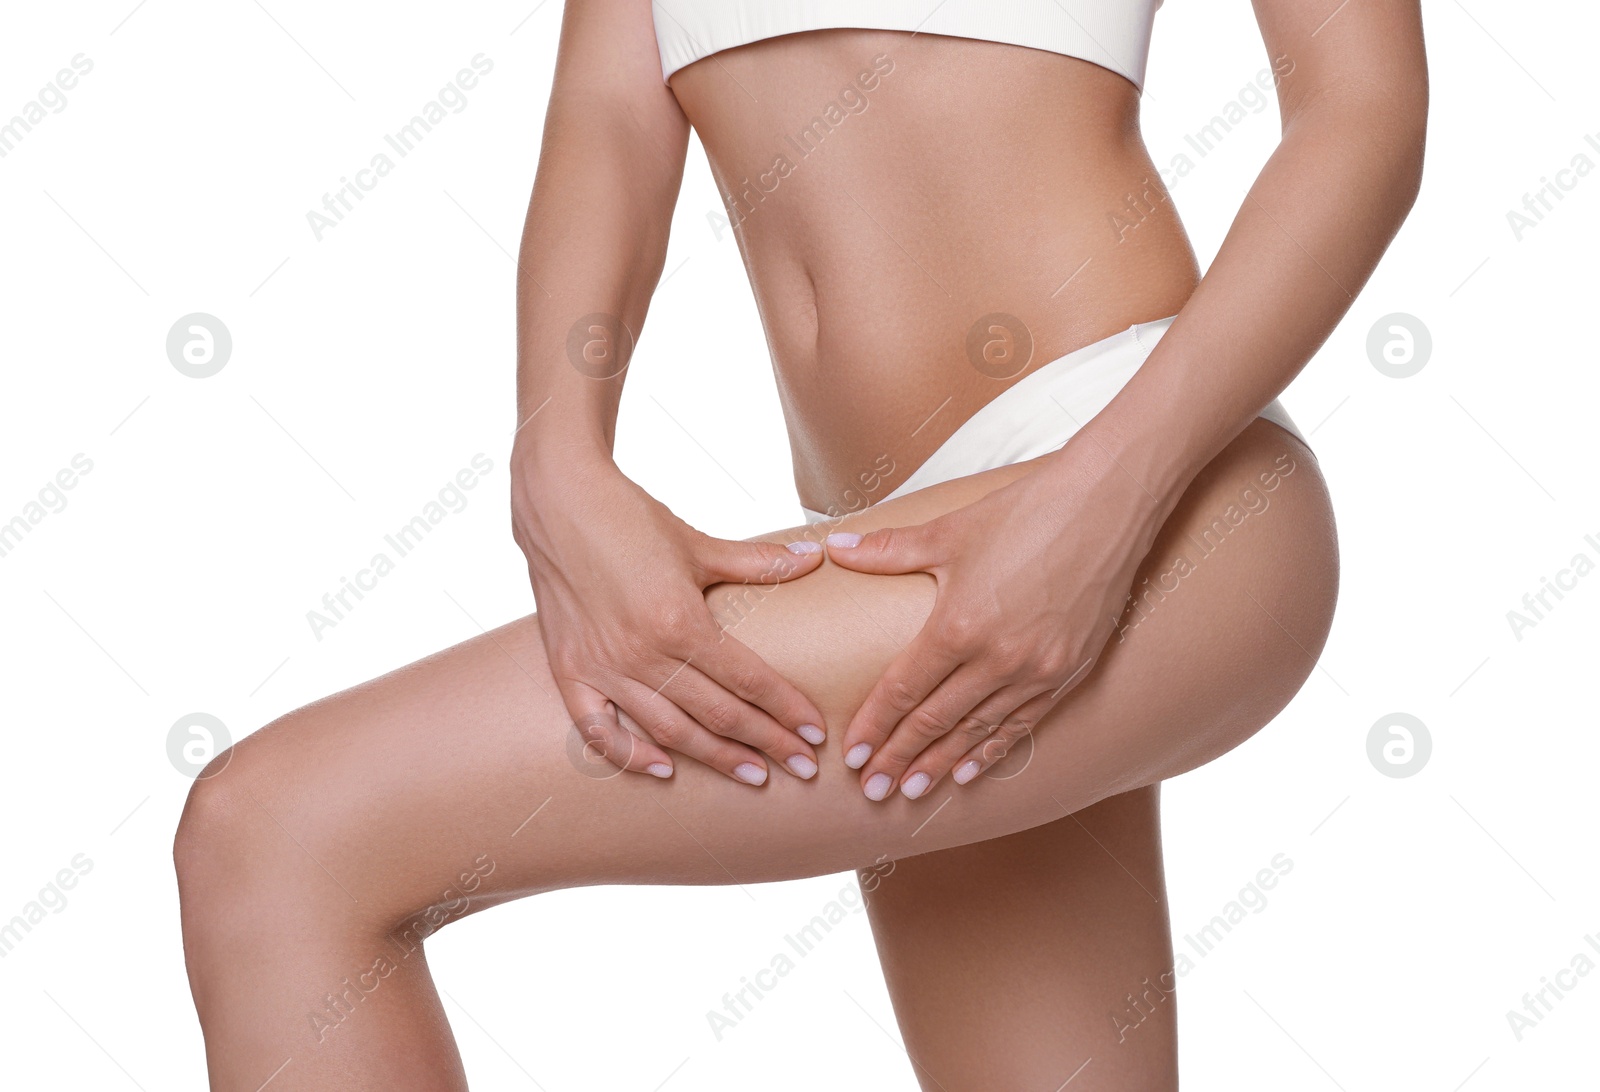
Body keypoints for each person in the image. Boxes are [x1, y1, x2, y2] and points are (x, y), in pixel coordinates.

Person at [175, 1, 1426, 1087]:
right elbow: (606, 113)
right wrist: (556, 456)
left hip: (1153, 493)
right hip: (896, 545)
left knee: (278, 840)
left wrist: (1099, 504)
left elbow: (1360, 114)